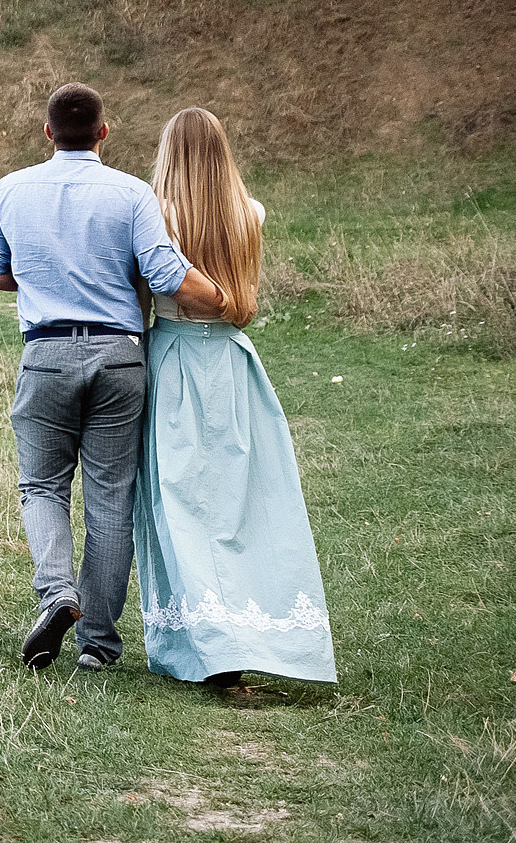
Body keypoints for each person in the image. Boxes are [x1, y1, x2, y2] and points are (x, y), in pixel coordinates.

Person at [0, 83, 230, 671]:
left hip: (46, 355)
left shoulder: (8, 190)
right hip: (120, 357)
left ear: (47, 133)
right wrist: (227, 300)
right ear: (103, 133)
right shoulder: (133, 193)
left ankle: (57, 592)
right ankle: (99, 645)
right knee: (111, 499)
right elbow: (166, 273)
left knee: (42, 487)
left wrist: (43, 283)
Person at [133, 107, 337, 688]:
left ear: (170, 154)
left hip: (172, 358)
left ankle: (203, 641)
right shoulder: (249, 214)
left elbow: (148, 291)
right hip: (231, 357)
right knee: (239, 500)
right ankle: (246, 631)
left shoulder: (156, 214)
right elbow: (240, 295)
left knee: (179, 500)